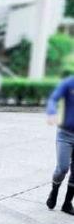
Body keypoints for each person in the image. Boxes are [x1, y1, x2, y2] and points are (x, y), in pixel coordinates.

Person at [45, 74, 74, 215]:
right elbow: (53, 99)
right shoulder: (69, 83)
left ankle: (67, 203)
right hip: (65, 134)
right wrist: (52, 112)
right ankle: (54, 190)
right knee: (62, 168)